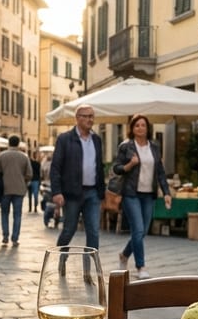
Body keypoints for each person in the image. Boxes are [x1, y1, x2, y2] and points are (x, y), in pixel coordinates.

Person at [112, 114, 173, 278]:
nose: (140, 128)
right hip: (131, 193)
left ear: (148, 128)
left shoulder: (154, 147)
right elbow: (116, 168)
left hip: (149, 194)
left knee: (142, 232)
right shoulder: (126, 147)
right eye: (137, 125)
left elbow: (160, 172)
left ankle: (124, 255)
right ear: (132, 129)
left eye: (143, 125)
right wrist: (129, 165)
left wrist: (166, 192)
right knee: (138, 230)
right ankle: (141, 267)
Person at [50, 104, 104, 251]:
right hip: (72, 192)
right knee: (69, 229)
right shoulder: (65, 139)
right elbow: (55, 167)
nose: (90, 119)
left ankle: (89, 270)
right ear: (77, 118)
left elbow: (99, 165)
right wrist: (56, 191)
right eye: (86, 116)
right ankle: (61, 259)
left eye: (92, 116)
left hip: (93, 192)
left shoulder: (97, 140)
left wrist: (101, 192)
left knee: (93, 231)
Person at [0, 135, 32, 246]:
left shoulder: (2, 155)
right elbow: (29, 174)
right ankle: (15, 238)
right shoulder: (24, 157)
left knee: (4, 213)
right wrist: (22, 179)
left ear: (8, 143)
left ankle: (5, 236)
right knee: (17, 215)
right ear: (18, 143)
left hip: (5, 189)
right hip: (19, 189)